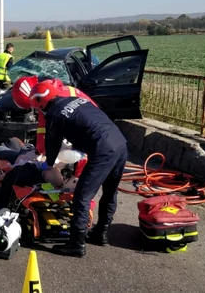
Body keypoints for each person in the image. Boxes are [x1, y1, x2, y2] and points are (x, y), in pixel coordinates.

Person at [28, 80, 128, 258]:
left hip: (102, 148)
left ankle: (76, 243)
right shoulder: (78, 100)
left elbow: (52, 144)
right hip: (120, 142)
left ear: (40, 101)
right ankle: (101, 233)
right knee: (110, 191)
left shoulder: (54, 114)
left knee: (82, 195)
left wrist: (49, 164)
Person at [11, 76, 98, 155]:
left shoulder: (54, 100)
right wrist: (40, 150)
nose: (36, 109)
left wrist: (43, 154)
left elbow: (51, 130)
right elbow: (42, 126)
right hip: (90, 119)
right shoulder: (47, 93)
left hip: (91, 126)